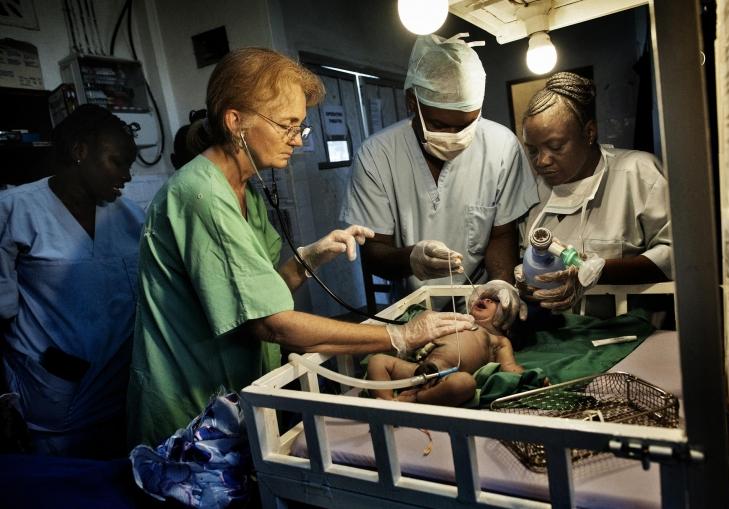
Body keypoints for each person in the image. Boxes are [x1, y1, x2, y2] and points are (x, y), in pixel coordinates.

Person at [126, 48, 475, 448]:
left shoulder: (246, 191)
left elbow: (250, 295)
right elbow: (270, 323)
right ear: (235, 120)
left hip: (231, 397)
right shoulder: (200, 196)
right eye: (287, 126)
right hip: (187, 411)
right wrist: (399, 335)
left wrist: (308, 259)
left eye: (301, 128)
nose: (296, 141)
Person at [340, 33, 538, 301]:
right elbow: (375, 252)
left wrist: (501, 290)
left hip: (479, 299)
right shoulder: (377, 156)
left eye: (466, 125)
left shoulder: (501, 146)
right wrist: (412, 258)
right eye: (440, 125)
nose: (455, 135)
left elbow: (502, 234)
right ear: (413, 102)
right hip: (413, 306)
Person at [0, 104, 144, 458]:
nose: (126, 176)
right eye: (117, 161)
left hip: (121, 391)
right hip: (53, 396)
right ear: (80, 152)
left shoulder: (129, 216)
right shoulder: (15, 210)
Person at [511, 72, 672, 311]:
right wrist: (524, 278)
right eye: (532, 150)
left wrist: (599, 272)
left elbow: (674, 254)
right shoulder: (535, 192)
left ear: (589, 133)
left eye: (555, 147)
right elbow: (528, 255)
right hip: (562, 335)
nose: (542, 161)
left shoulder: (638, 173)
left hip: (629, 332)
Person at [367, 280, 526, 406]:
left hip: (446, 378)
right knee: (378, 360)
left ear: (507, 319)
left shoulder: (498, 340)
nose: (486, 299)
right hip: (420, 369)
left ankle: (417, 399)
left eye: (494, 301)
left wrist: (529, 379)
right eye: (484, 296)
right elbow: (424, 333)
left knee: (464, 384)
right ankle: (386, 404)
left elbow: (509, 368)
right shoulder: (455, 318)